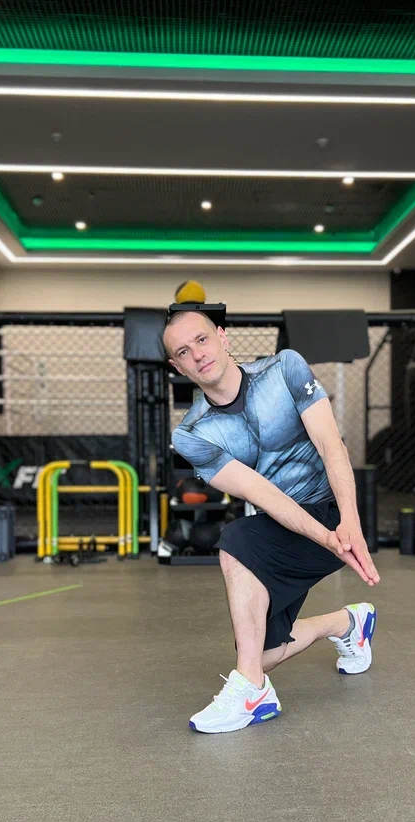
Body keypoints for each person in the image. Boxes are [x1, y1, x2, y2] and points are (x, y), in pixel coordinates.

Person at [163, 308, 381, 734]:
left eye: (202, 340)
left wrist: (349, 524)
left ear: (223, 338)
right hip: (294, 524)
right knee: (261, 652)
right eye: (184, 352)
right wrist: (326, 539)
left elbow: (330, 444)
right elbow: (265, 495)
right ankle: (346, 624)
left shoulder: (284, 368)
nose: (198, 354)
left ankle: (252, 692)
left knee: (234, 540)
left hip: (337, 508)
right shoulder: (192, 435)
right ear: (178, 367)